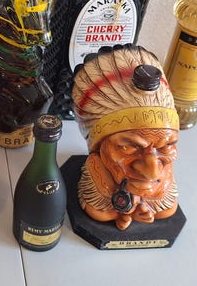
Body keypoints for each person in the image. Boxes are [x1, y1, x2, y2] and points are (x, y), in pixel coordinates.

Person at [72, 44, 180, 230]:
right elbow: (97, 210)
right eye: (128, 147)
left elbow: (167, 209)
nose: (152, 172)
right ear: (100, 146)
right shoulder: (99, 167)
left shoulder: (161, 172)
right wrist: (122, 211)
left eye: (165, 147)